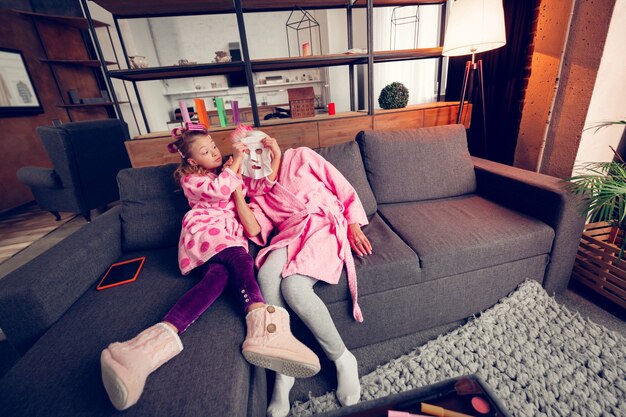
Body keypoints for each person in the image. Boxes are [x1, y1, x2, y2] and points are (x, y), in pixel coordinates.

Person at [99, 122, 320, 411]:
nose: (215, 152)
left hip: (225, 239)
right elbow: (219, 191)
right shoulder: (193, 180)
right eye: (206, 151)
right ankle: (266, 330)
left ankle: (141, 353)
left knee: (217, 279)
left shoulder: (228, 172)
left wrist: (272, 156)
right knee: (240, 259)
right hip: (205, 234)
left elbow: (262, 186)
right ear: (192, 161)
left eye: (214, 146)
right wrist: (236, 162)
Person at [246, 139, 373, 417]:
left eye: (259, 151)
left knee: (294, 288)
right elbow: (257, 227)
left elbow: (340, 185)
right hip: (289, 234)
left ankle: (343, 359)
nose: (256, 160)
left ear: (269, 147)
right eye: (248, 158)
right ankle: (284, 369)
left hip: (323, 225)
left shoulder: (301, 156)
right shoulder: (255, 190)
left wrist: (352, 224)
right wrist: (234, 195)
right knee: (266, 275)